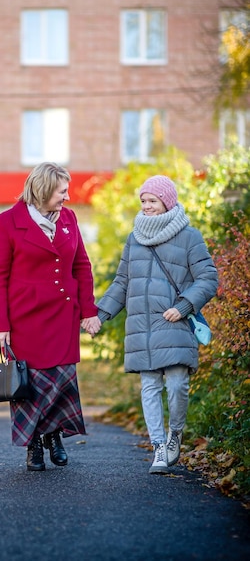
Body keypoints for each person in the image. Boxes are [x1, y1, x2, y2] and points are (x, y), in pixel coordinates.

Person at [92, 175, 218, 474]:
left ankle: (175, 434)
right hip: (142, 325)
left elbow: (208, 278)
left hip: (173, 322)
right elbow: (122, 282)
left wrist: (184, 305)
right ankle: (159, 447)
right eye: (143, 201)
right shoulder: (135, 238)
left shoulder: (190, 237)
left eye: (152, 200)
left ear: (167, 201)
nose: (146, 206)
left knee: (177, 385)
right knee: (149, 387)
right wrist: (101, 314)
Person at [0, 162, 101, 471]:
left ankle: (54, 435)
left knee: (61, 380)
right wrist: (0, 325)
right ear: (43, 189)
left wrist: (88, 310)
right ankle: (34, 443)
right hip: (25, 319)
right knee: (32, 383)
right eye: (62, 191)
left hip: (63, 315)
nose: (67, 196)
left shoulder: (69, 219)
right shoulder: (8, 222)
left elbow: (81, 266)